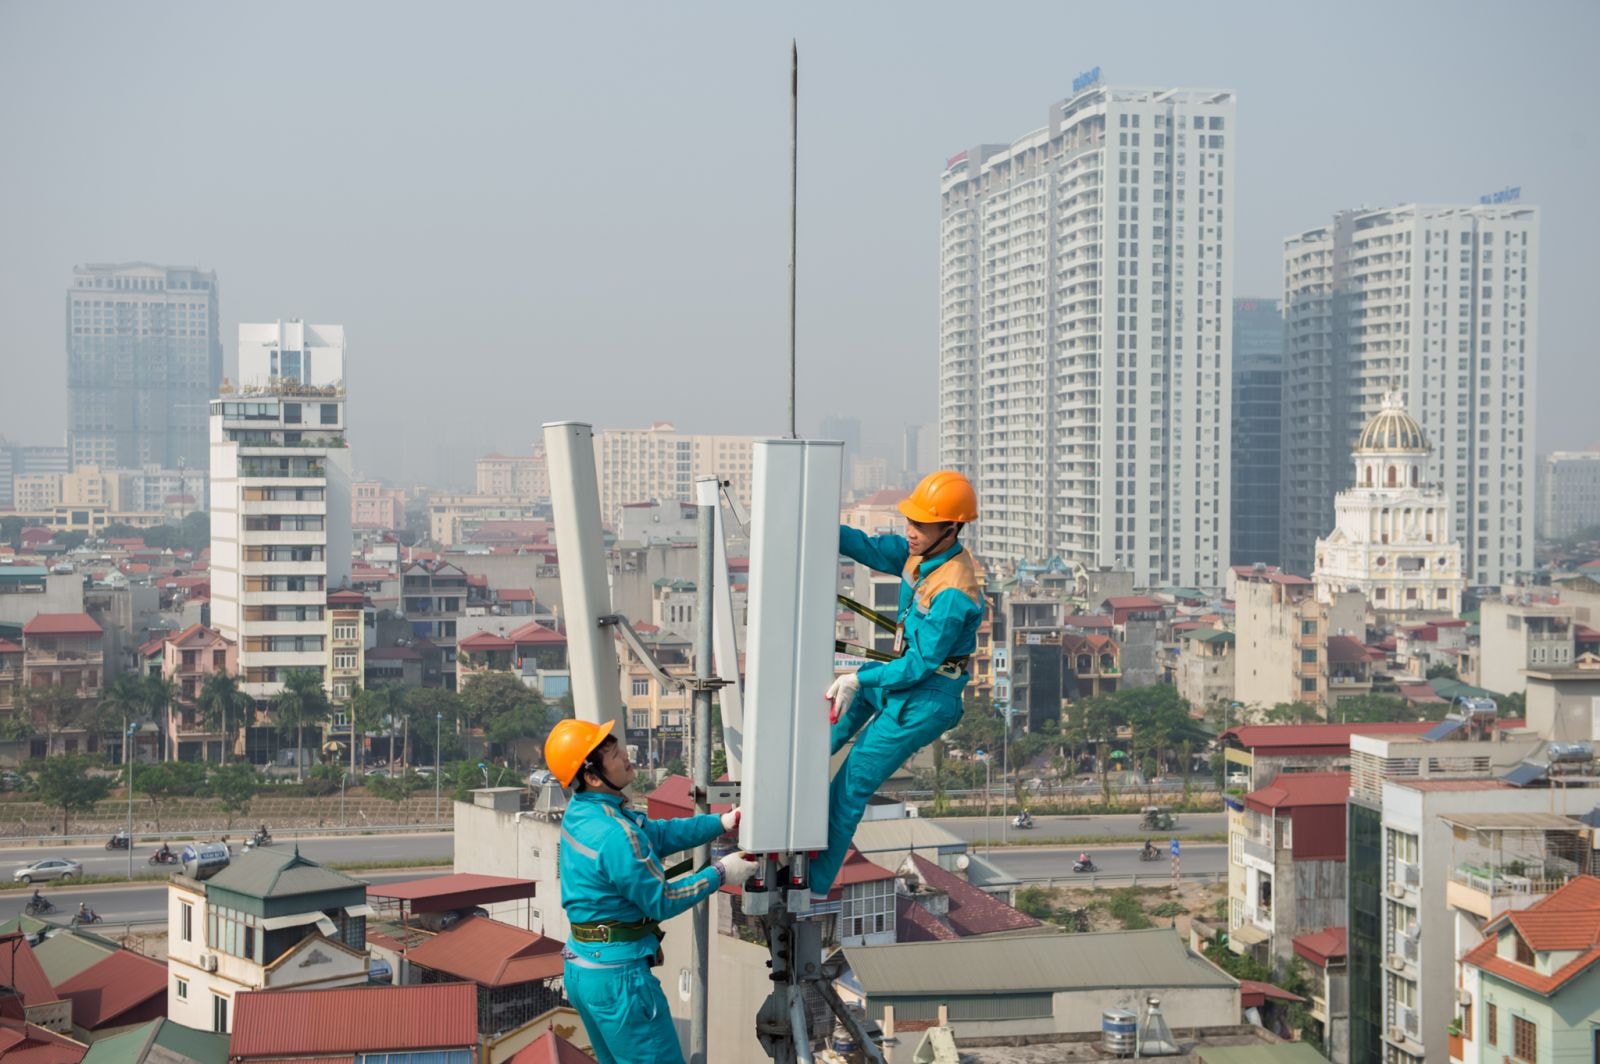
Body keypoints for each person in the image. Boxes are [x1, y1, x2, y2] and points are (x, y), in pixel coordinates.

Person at [546, 717, 756, 1064]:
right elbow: (662, 900)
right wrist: (721, 872)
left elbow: (657, 835)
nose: (626, 756)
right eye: (614, 754)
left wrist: (721, 822)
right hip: (620, 981)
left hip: (584, 970)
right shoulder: (615, 834)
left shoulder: (584, 813)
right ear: (592, 776)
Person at [815, 470, 984, 896]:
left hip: (926, 697)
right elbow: (867, 547)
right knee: (821, 734)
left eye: (920, 525)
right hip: (899, 679)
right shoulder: (920, 555)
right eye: (910, 521)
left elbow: (920, 665)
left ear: (951, 528)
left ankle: (812, 886)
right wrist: (813, 521)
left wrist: (859, 676)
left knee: (848, 789)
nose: (909, 531)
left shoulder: (954, 591)